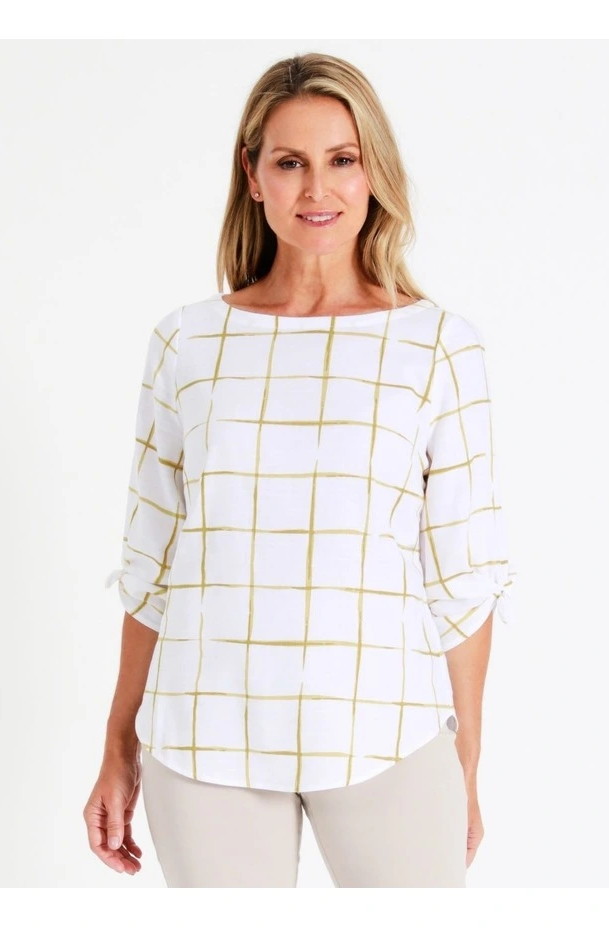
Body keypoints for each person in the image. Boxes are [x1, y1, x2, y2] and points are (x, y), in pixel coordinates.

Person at [83, 52, 518, 888]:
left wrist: (465, 763)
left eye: (341, 159)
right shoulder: (187, 343)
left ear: (373, 172)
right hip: (206, 737)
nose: (317, 189)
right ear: (252, 176)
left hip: (386, 732)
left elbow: (464, 578)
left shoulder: (437, 346)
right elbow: (151, 565)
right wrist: (117, 744)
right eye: (290, 163)